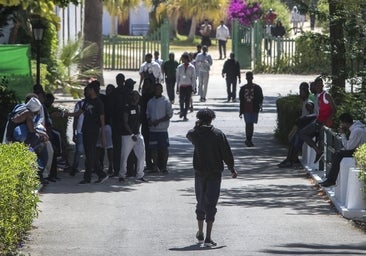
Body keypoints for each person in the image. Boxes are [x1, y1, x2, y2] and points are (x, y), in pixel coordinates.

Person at [186, 108, 237, 247]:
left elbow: (188, 134)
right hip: (215, 173)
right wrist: (231, 168)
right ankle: (208, 237)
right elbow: (226, 153)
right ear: (212, 119)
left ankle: (200, 232)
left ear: (200, 119)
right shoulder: (218, 134)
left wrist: (196, 127)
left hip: (200, 173)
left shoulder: (196, 134)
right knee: (211, 203)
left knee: (200, 201)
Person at [319, 113, 366, 187]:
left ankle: (331, 180)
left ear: (346, 123)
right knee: (337, 154)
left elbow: (348, 147)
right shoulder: (357, 127)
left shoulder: (356, 131)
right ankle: (330, 179)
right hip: (359, 149)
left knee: (338, 154)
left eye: (341, 123)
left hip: (359, 151)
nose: (341, 125)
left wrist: (343, 134)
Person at [278, 83, 316, 168]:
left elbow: (311, 115)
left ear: (306, 91)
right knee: (293, 139)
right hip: (303, 125)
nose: (301, 93)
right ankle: (292, 159)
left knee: (295, 139)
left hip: (305, 127)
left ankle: (290, 160)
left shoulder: (308, 102)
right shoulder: (305, 100)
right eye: (300, 90)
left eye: (303, 91)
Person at [300, 77, 337, 163]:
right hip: (318, 121)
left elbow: (334, 109)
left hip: (322, 122)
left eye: (321, 85)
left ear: (323, 86)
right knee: (302, 133)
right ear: (315, 86)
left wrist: (327, 120)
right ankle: (318, 151)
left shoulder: (326, 95)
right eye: (317, 85)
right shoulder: (316, 96)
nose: (319, 87)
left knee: (303, 134)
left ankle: (319, 152)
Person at [79, 81, 109, 184]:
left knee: (91, 153)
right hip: (85, 129)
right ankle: (101, 174)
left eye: (88, 89)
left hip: (93, 130)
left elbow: (102, 119)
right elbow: (79, 112)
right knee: (89, 154)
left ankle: (88, 177)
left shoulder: (99, 103)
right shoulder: (87, 101)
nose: (87, 91)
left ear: (92, 90)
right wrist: (65, 114)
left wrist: (103, 136)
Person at [119, 90, 146, 182]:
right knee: (124, 156)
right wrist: (131, 134)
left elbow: (139, 121)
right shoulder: (127, 107)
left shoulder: (138, 107)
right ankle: (122, 175)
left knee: (141, 155)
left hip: (137, 134)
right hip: (128, 135)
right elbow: (125, 122)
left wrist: (137, 132)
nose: (136, 97)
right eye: (134, 95)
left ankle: (140, 175)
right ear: (131, 97)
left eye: (138, 95)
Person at [146, 83, 173, 173]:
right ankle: (155, 167)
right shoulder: (150, 102)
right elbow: (148, 114)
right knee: (153, 149)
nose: (157, 91)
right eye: (156, 89)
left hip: (162, 130)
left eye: (159, 89)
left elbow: (169, 115)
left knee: (164, 148)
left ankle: (164, 167)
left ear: (162, 90)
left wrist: (159, 121)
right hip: (153, 130)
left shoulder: (166, 101)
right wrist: (150, 121)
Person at [239, 71, 263, 147]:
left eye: (250, 77)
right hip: (246, 109)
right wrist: (241, 111)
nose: (249, 79)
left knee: (251, 124)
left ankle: (249, 139)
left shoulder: (257, 88)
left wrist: (261, 106)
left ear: (252, 78)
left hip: (254, 108)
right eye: (248, 77)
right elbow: (241, 100)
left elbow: (260, 98)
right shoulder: (243, 89)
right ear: (246, 78)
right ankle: (248, 139)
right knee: (248, 124)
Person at [70, 88, 86, 176]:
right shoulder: (79, 104)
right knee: (79, 150)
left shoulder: (94, 103)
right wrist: (74, 132)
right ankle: (74, 167)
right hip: (80, 131)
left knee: (89, 151)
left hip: (90, 131)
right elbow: (75, 118)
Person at [176, 53, 196, 121]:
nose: (182, 60)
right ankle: (182, 110)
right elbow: (177, 77)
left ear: (187, 59)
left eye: (183, 59)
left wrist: (194, 87)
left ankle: (185, 114)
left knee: (187, 101)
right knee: (181, 100)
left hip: (188, 86)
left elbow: (193, 78)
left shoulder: (192, 67)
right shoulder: (179, 67)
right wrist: (177, 87)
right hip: (182, 85)